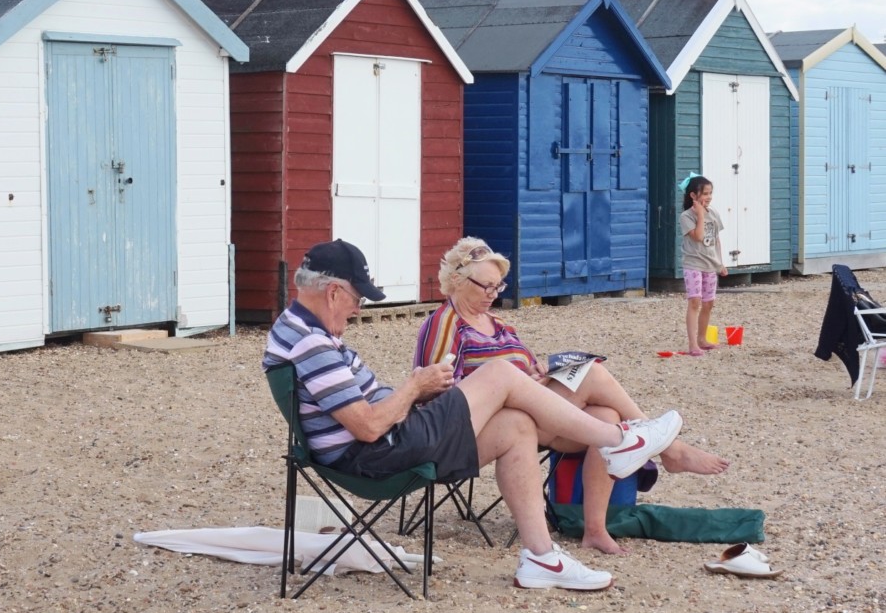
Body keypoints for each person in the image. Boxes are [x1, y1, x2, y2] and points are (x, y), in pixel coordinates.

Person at [263, 238, 686, 591]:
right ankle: (619, 442)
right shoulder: (312, 343)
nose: (358, 309)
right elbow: (368, 426)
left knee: (517, 425)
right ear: (333, 292)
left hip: (387, 443)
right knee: (500, 374)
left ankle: (542, 558)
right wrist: (415, 386)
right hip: (381, 451)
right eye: (357, 299)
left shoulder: (295, 329)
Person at [414, 236, 731, 555]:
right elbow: (438, 400)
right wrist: (507, 387)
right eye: (487, 286)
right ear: (458, 281)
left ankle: (594, 529)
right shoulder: (444, 324)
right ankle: (669, 448)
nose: (493, 294)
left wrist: (539, 372)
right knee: (592, 375)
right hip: (487, 427)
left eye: (499, 286)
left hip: (533, 414)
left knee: (606, 415)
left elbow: (523, 370)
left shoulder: (499, 325)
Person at [679, 174, 728, 356]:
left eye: (710, 193)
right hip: (693, 264)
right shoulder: (686, 216)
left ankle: (702, 338)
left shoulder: (713, 213)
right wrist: (700, 214)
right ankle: (693, 344)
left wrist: (720, 263)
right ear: (693, 195)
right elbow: (699, 236)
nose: (709, 197)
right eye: (705, 193)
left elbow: (716, 240)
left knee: (708, 303)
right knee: (695, 301)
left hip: (710, 265)